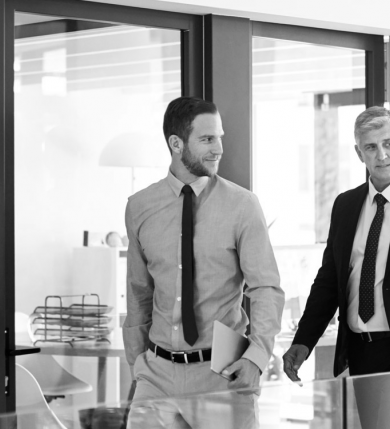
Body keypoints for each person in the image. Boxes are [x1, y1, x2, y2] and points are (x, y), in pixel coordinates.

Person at [283, 106, 390, 428]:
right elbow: (329, 280)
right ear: (358, 152)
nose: (382, 155)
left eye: (389, 144)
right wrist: (304, 341)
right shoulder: (346, 205)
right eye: (371, 147)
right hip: (362, 351)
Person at [124, 96, 284, 428]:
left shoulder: (243, 205)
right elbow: (139, 294)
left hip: (221, 375)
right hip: (155, 375)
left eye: (219, 137)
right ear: (176, 143)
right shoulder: (139, 207)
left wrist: (256, 358)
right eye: (207, 139)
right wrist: (136, 365)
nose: (219, 148)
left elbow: (266, 289)